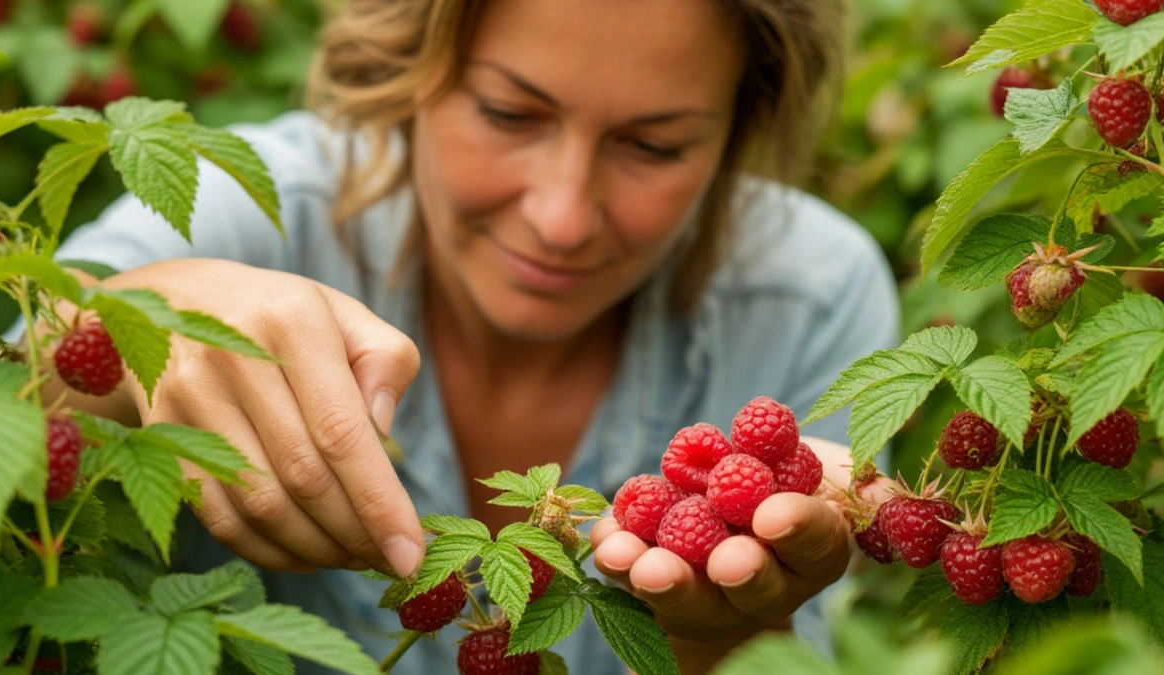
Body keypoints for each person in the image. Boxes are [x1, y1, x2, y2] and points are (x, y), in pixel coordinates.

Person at [44, 0, 898, 672]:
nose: (561, 218)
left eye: (653, 144)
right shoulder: (251, 210)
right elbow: (8, 363)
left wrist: (723, 635)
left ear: (740, 133)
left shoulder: (811, 295)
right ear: (409, 67)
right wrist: (147, 316)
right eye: (508, 112)